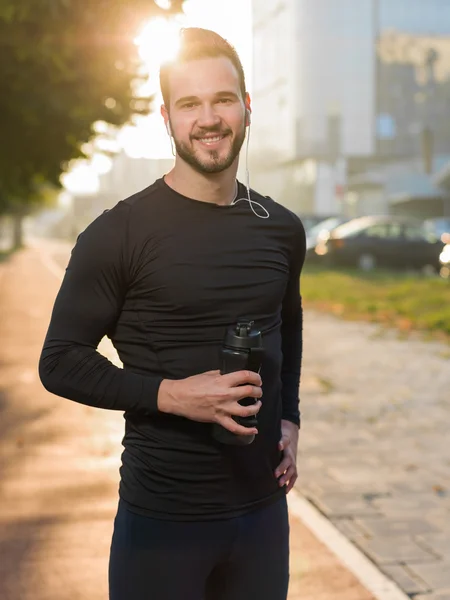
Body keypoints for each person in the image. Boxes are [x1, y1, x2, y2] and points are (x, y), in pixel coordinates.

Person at [39, 27, 306, 600]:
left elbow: (288, 326)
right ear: (167, 118)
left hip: (262, 519)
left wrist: (292, 418)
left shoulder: (282, 228)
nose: (209, 118)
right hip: (162, 524)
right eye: (190, 104)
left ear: (247, 107)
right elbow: (59, 362)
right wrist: (175, 395)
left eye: (223, 99)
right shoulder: (118, 233)